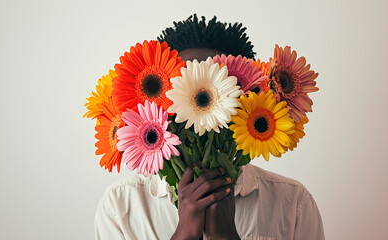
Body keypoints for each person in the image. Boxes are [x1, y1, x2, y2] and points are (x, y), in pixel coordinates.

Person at [94, 15, 325, 240]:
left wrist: (224, 236)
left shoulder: (293, 203)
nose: (196, 101)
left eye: (216, 85)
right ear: (159, 101)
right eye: (183, 86)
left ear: (245, 98)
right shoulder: (121, 206)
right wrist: (183, 234)